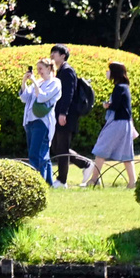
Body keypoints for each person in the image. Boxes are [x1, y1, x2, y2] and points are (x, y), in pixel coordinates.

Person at [85, 61, 137, 188]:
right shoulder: (124, 87)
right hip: (124, 124)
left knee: (101, 150)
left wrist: (107, 105)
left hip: (117, 123)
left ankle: (94, 180)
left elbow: (116, 106)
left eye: (109, 70)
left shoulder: (119, 88)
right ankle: (132, 182)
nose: (107, 73)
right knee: (126, 155)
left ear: (114, 72)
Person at [20, 58, 61, 184]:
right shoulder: (38, 82)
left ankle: (37, 183)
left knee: (36, 154)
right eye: (37, 69)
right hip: (30, 121)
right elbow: (25, 98)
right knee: (43, 154)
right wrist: (24, 82)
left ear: (49, 68)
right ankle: (48, 183)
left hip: (42, 122)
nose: (38, 72)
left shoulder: (55, 82)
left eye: (41, 69)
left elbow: (43, 97)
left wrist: (34, 82)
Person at [49, 44, 79, 188]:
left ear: (63, 56)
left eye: (55, 53)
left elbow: (69, 94)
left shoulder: (67, 71)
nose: (52, 56)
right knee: (57, 147)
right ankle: (85, 164)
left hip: (66, 115)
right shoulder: (58, 72)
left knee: (62, 147)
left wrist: (63, 113)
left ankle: (62, 180)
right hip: (58, 114)